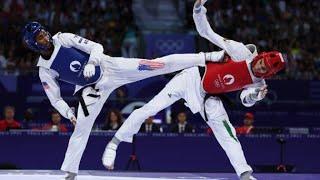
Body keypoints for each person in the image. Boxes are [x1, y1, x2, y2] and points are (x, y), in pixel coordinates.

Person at [102, 1, 285, 180]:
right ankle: (114, 143)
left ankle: (245, 174)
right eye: (262, 61)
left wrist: (254, 96)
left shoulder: (259, 84)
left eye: (264, 68)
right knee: (150, 108)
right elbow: (208, 33)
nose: (260, 66)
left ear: (268, 73)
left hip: (209, 97)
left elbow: (245, 99)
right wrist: (198, 10)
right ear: (261, 56)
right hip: (192, 77)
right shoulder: (241, 52)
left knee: (227, 132)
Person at [21, 21, 219, 179]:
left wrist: (92, 61)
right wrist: (68, 113)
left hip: (110, 67)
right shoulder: (45, 70)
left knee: (156, 65)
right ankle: (70, 173)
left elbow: (96, 47)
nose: (45, 36)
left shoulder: (63, 38)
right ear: (34, 44)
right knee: (81, 128)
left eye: (44, 31)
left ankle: (206, 56)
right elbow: (54, 98)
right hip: (92, 90)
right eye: (40, 36)